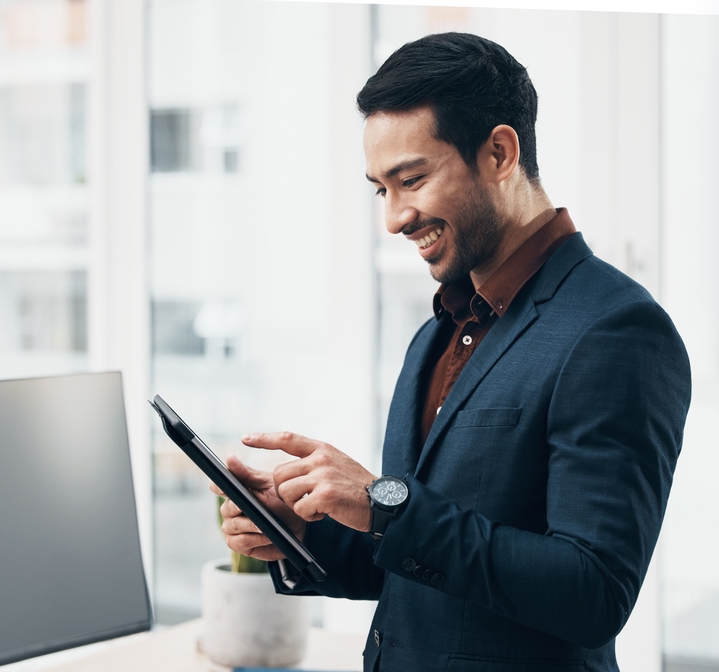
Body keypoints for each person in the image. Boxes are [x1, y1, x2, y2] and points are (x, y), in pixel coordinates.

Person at [213, 32, 691, 672]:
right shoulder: (436, 334)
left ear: (499, 153)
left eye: (411, 180)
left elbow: (593, 591)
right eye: (381, 189)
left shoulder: (616, 330)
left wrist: (385, 503)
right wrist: (302, 531)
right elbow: (423, 571)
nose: (394, 218)